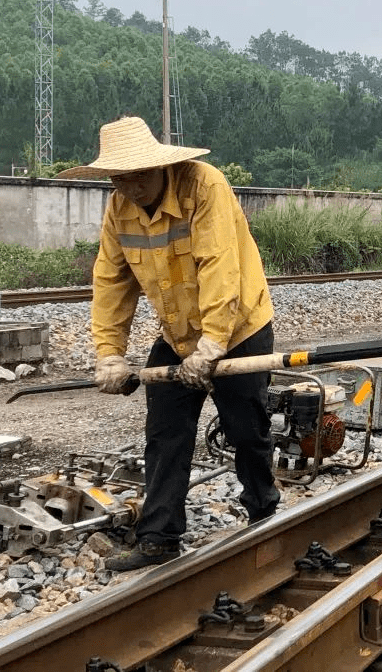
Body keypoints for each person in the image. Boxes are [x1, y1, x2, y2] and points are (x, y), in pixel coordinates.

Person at [56, 116, 280, 571]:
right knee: (165, 432)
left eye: (136, 174)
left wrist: (213, 344)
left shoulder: (204, 186)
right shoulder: (120, 207)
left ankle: (264, 511)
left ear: (158, 166)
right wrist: (109, 353)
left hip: (239, 326)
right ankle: (159, 536)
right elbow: (111, 281)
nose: (129, 186)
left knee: (246, 429)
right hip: (177, 336)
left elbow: (221, 265)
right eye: (119, 177)